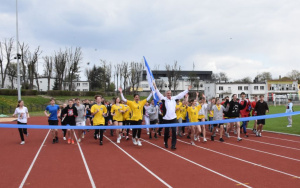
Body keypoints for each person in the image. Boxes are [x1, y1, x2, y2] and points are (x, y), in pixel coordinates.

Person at [154, 84, 191, 149]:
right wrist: (155, 87)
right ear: (165, 94)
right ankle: (165, 142)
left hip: (173, 118)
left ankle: (173, 145)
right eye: (168, 93)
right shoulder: (163, 99)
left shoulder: (174, 98)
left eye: (170, 93)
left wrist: (187, 90)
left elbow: (181, 94)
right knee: (166, 132)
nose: (169, 94)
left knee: (174, 132)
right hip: (166, 119)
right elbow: (158, 93)